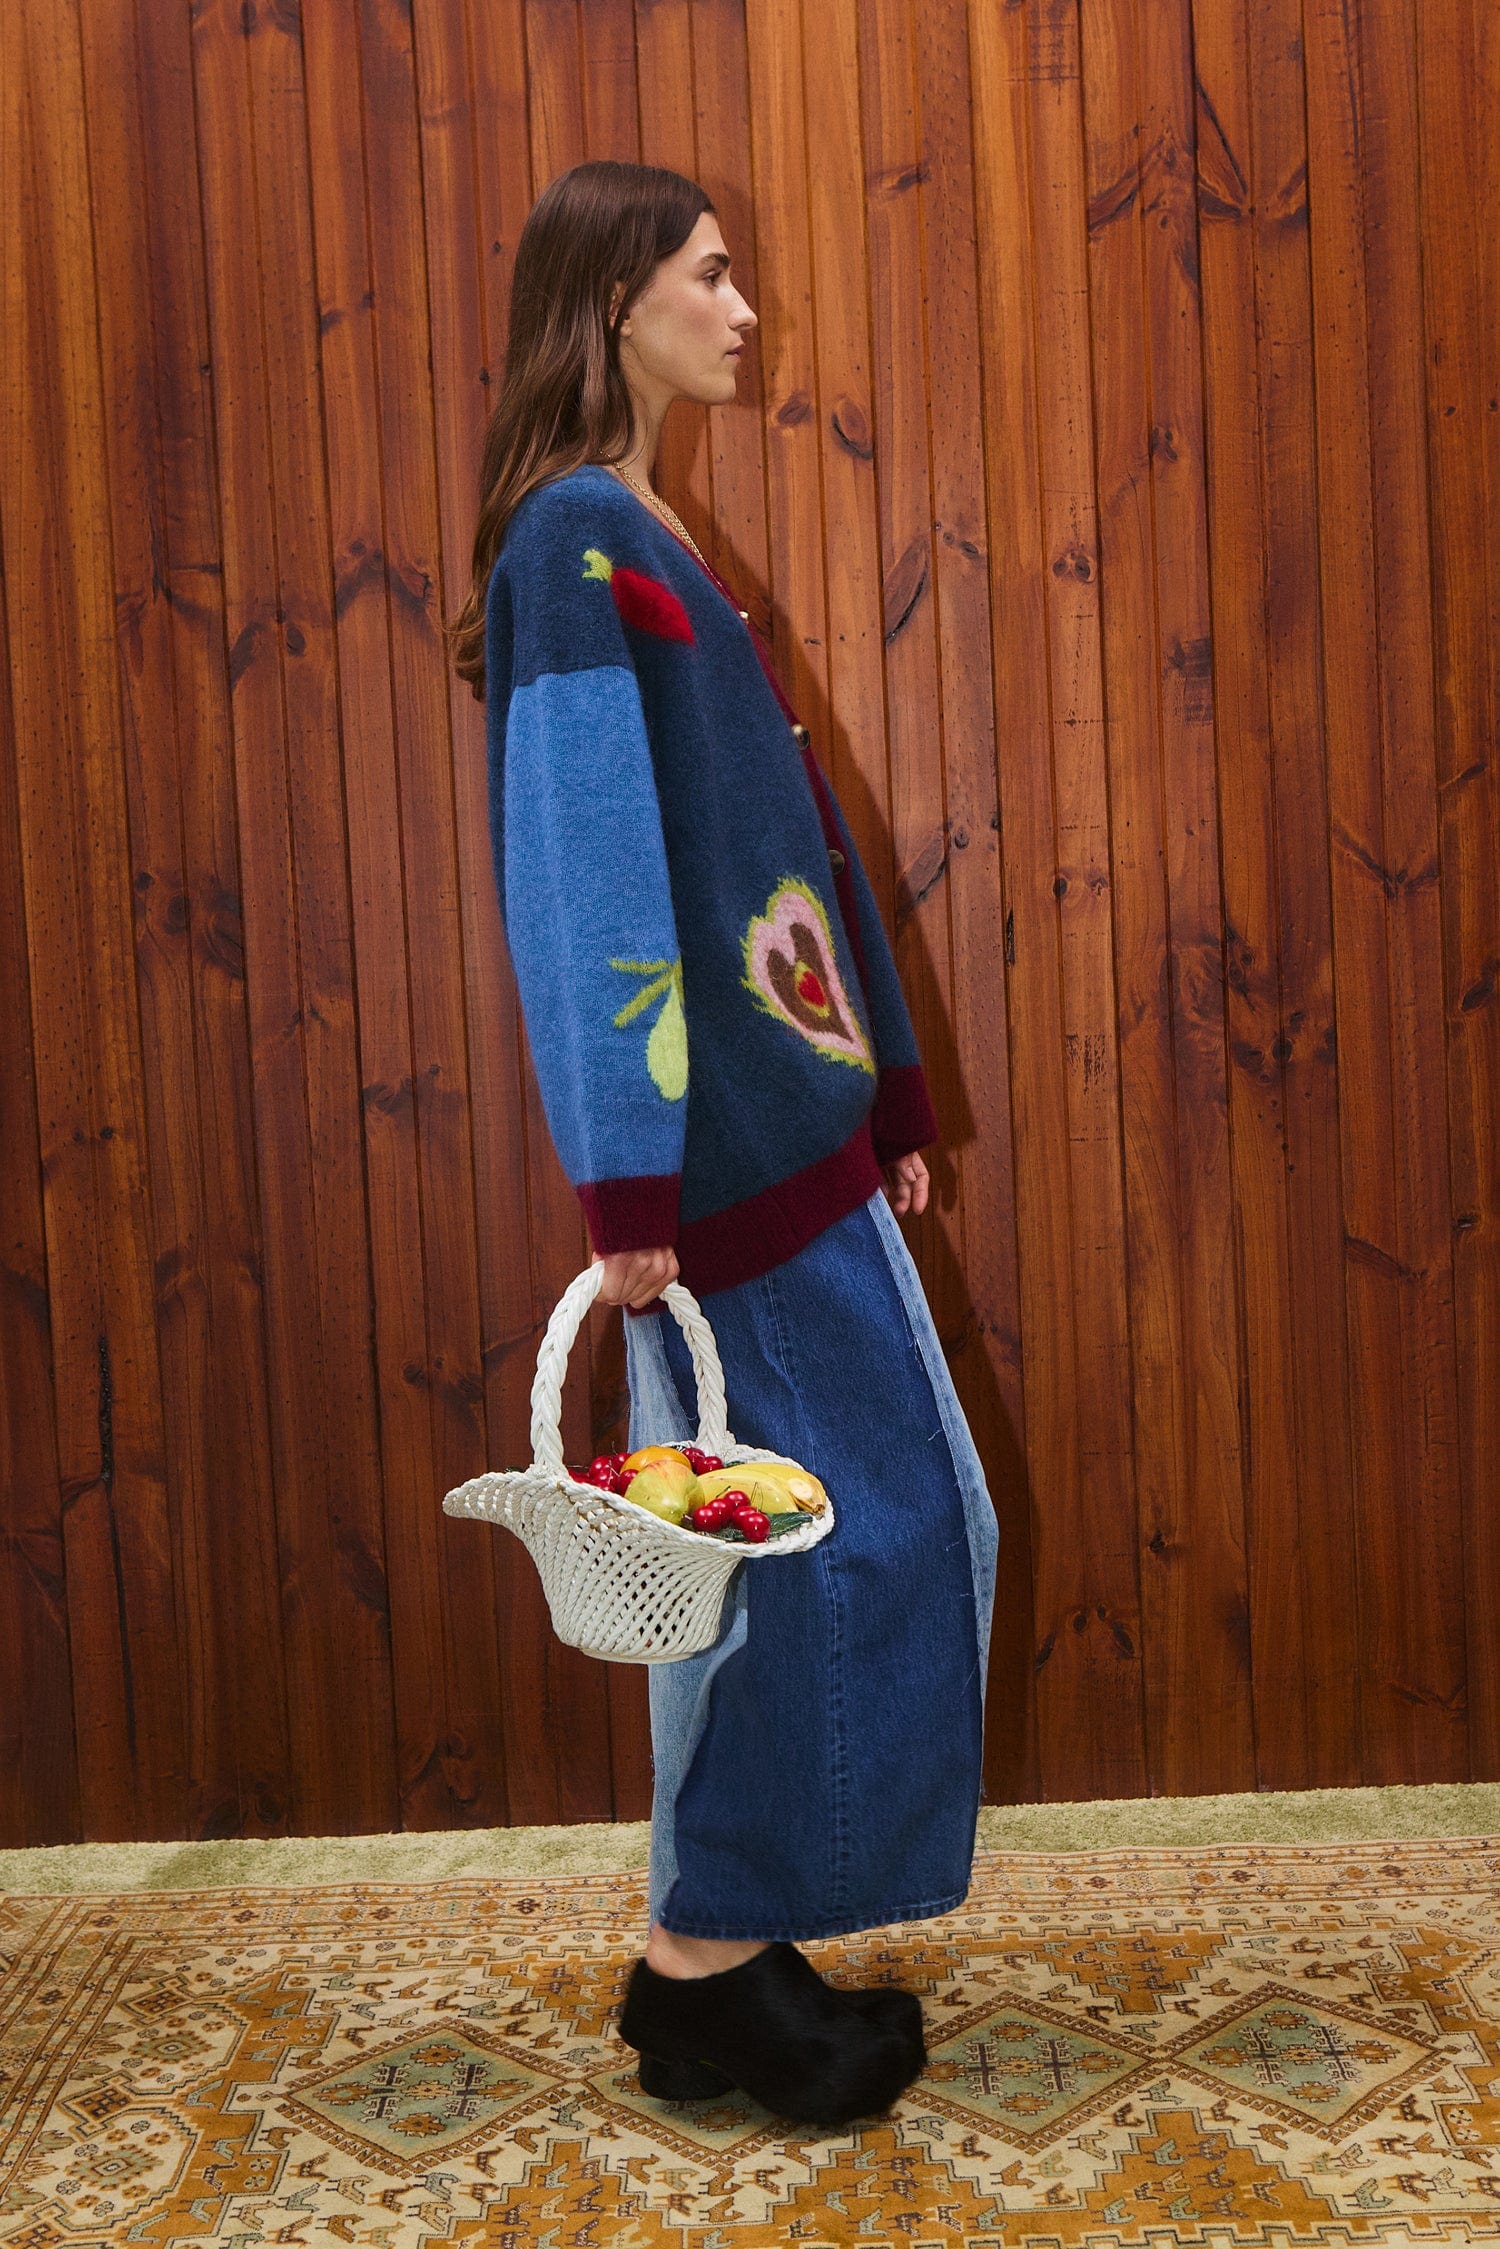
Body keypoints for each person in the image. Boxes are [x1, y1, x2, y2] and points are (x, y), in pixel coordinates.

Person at [447, 159, 999, 2128]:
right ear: (616, 301)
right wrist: (628, 1184)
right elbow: (586, 876)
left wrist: (894, 1090)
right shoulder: (572, 544)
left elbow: (797, 848)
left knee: (830, 1546)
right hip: (724, 1175)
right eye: (709, 272)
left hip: (796, 1138)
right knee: (842, 1546)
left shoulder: (649, 531)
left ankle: (718, 1954)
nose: (742, 306)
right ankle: (704, 1966)